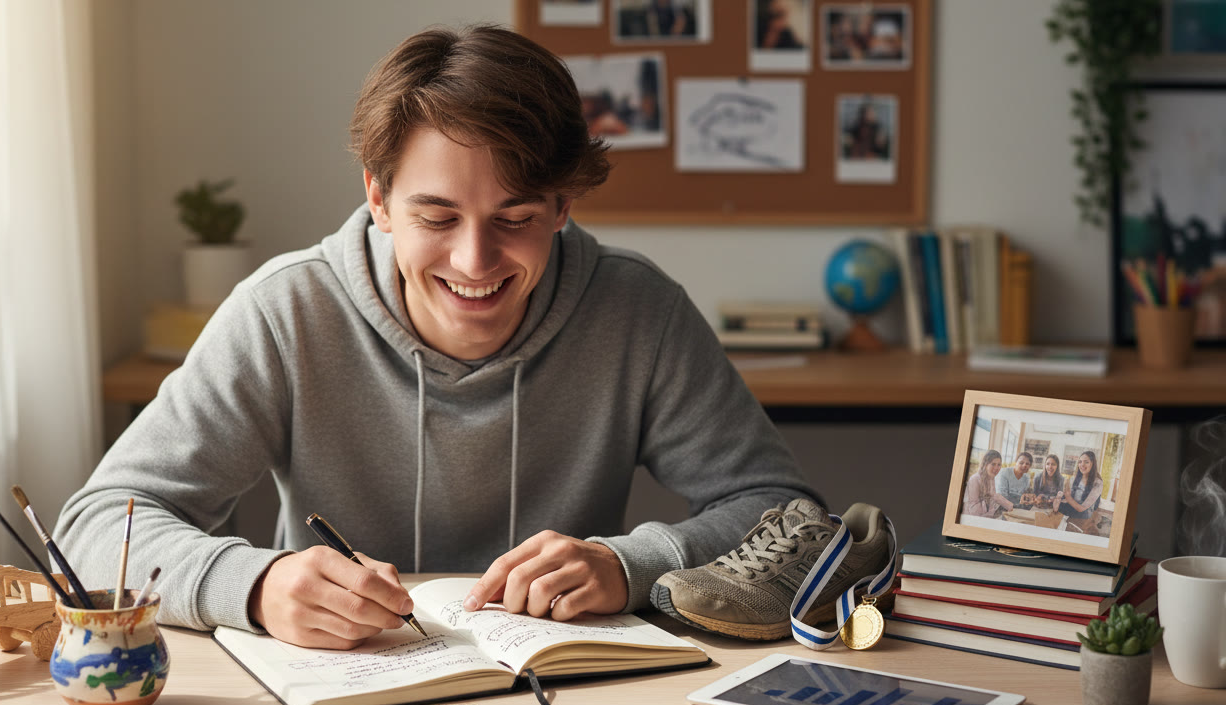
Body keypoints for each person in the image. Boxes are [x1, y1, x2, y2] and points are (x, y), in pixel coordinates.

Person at [55, 25, 820, 651]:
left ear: (562, 207)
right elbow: (95, 526)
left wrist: (631, 563)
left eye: (515, 219)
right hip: (344, 694)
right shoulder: (284, 312)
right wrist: (254, 585)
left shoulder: (637, 309)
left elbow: (784, 513)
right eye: (437, 217)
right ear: (379, 199)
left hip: (571, 698)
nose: (475, 262)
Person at [1054, 450, 1103, 534]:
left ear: (1092, 464)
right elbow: (1070, 498)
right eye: (1080, 462)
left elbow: (1082, 509)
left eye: (1086, 462)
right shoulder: (1075, 478)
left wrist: (1067, 497)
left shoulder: (1098, 483)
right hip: (1072, 510)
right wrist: (1061, 497)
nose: (1082, 465)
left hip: (1083, 515)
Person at [963, 450, 1012, 519]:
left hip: (986, 519)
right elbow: (974, 511)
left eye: (999, 465)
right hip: (971, 520)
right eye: (993, 464)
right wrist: (993, 497)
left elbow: (992, 507)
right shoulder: (974, 479)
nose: (996, 468)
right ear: (985, 464)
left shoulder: (991, 478)